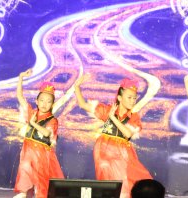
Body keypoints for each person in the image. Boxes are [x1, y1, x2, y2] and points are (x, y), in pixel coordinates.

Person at [74, 76, 153, 198]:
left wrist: (113, 118)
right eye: (129, 98)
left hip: (123, 152)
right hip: (104, 150)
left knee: (136, 181)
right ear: (120, 98)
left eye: (134, 98)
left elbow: (127, 134)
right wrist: (77, 87)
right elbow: (83, 104)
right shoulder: (107, 110)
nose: (132, 101)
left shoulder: (133, 116)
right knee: (110, 178)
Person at [13, 69, 64, 198]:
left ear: (52, 104)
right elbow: (20, 96)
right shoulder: (32, 113)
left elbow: (47, 133)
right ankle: (23, 192)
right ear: (37, 101)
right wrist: (21, 77)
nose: (44, 104)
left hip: (43, 155)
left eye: (48, 101)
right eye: (42, 100)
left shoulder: (53, 120)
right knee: (24, 166)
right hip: (28, 150)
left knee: (42, 183)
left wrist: (33, 123)